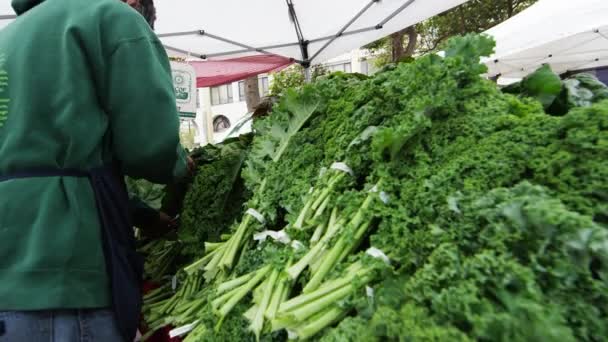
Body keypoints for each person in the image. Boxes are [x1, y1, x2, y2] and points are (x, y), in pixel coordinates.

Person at [0, 0, 193, 341]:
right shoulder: (109, 16)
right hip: (70, 269)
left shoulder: (7, 37)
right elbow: (149, 146)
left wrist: (142, 215)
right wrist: (179, 164)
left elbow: (34, 161)